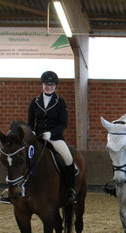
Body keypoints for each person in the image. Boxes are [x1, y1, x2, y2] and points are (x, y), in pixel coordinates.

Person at [28, 70, 76, 204]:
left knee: (68, 158)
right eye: (46, 84)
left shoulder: (60, 102)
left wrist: (51, 133)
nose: (49, 87)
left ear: (55, 86)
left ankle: (70, 189)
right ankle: (17, 188)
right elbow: (30, 123)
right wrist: (31, 132)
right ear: (42, 85)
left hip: (55, 138)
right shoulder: (34, 102)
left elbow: (63, 124)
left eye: (52, 84)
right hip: (37, 138)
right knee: (21, 158)